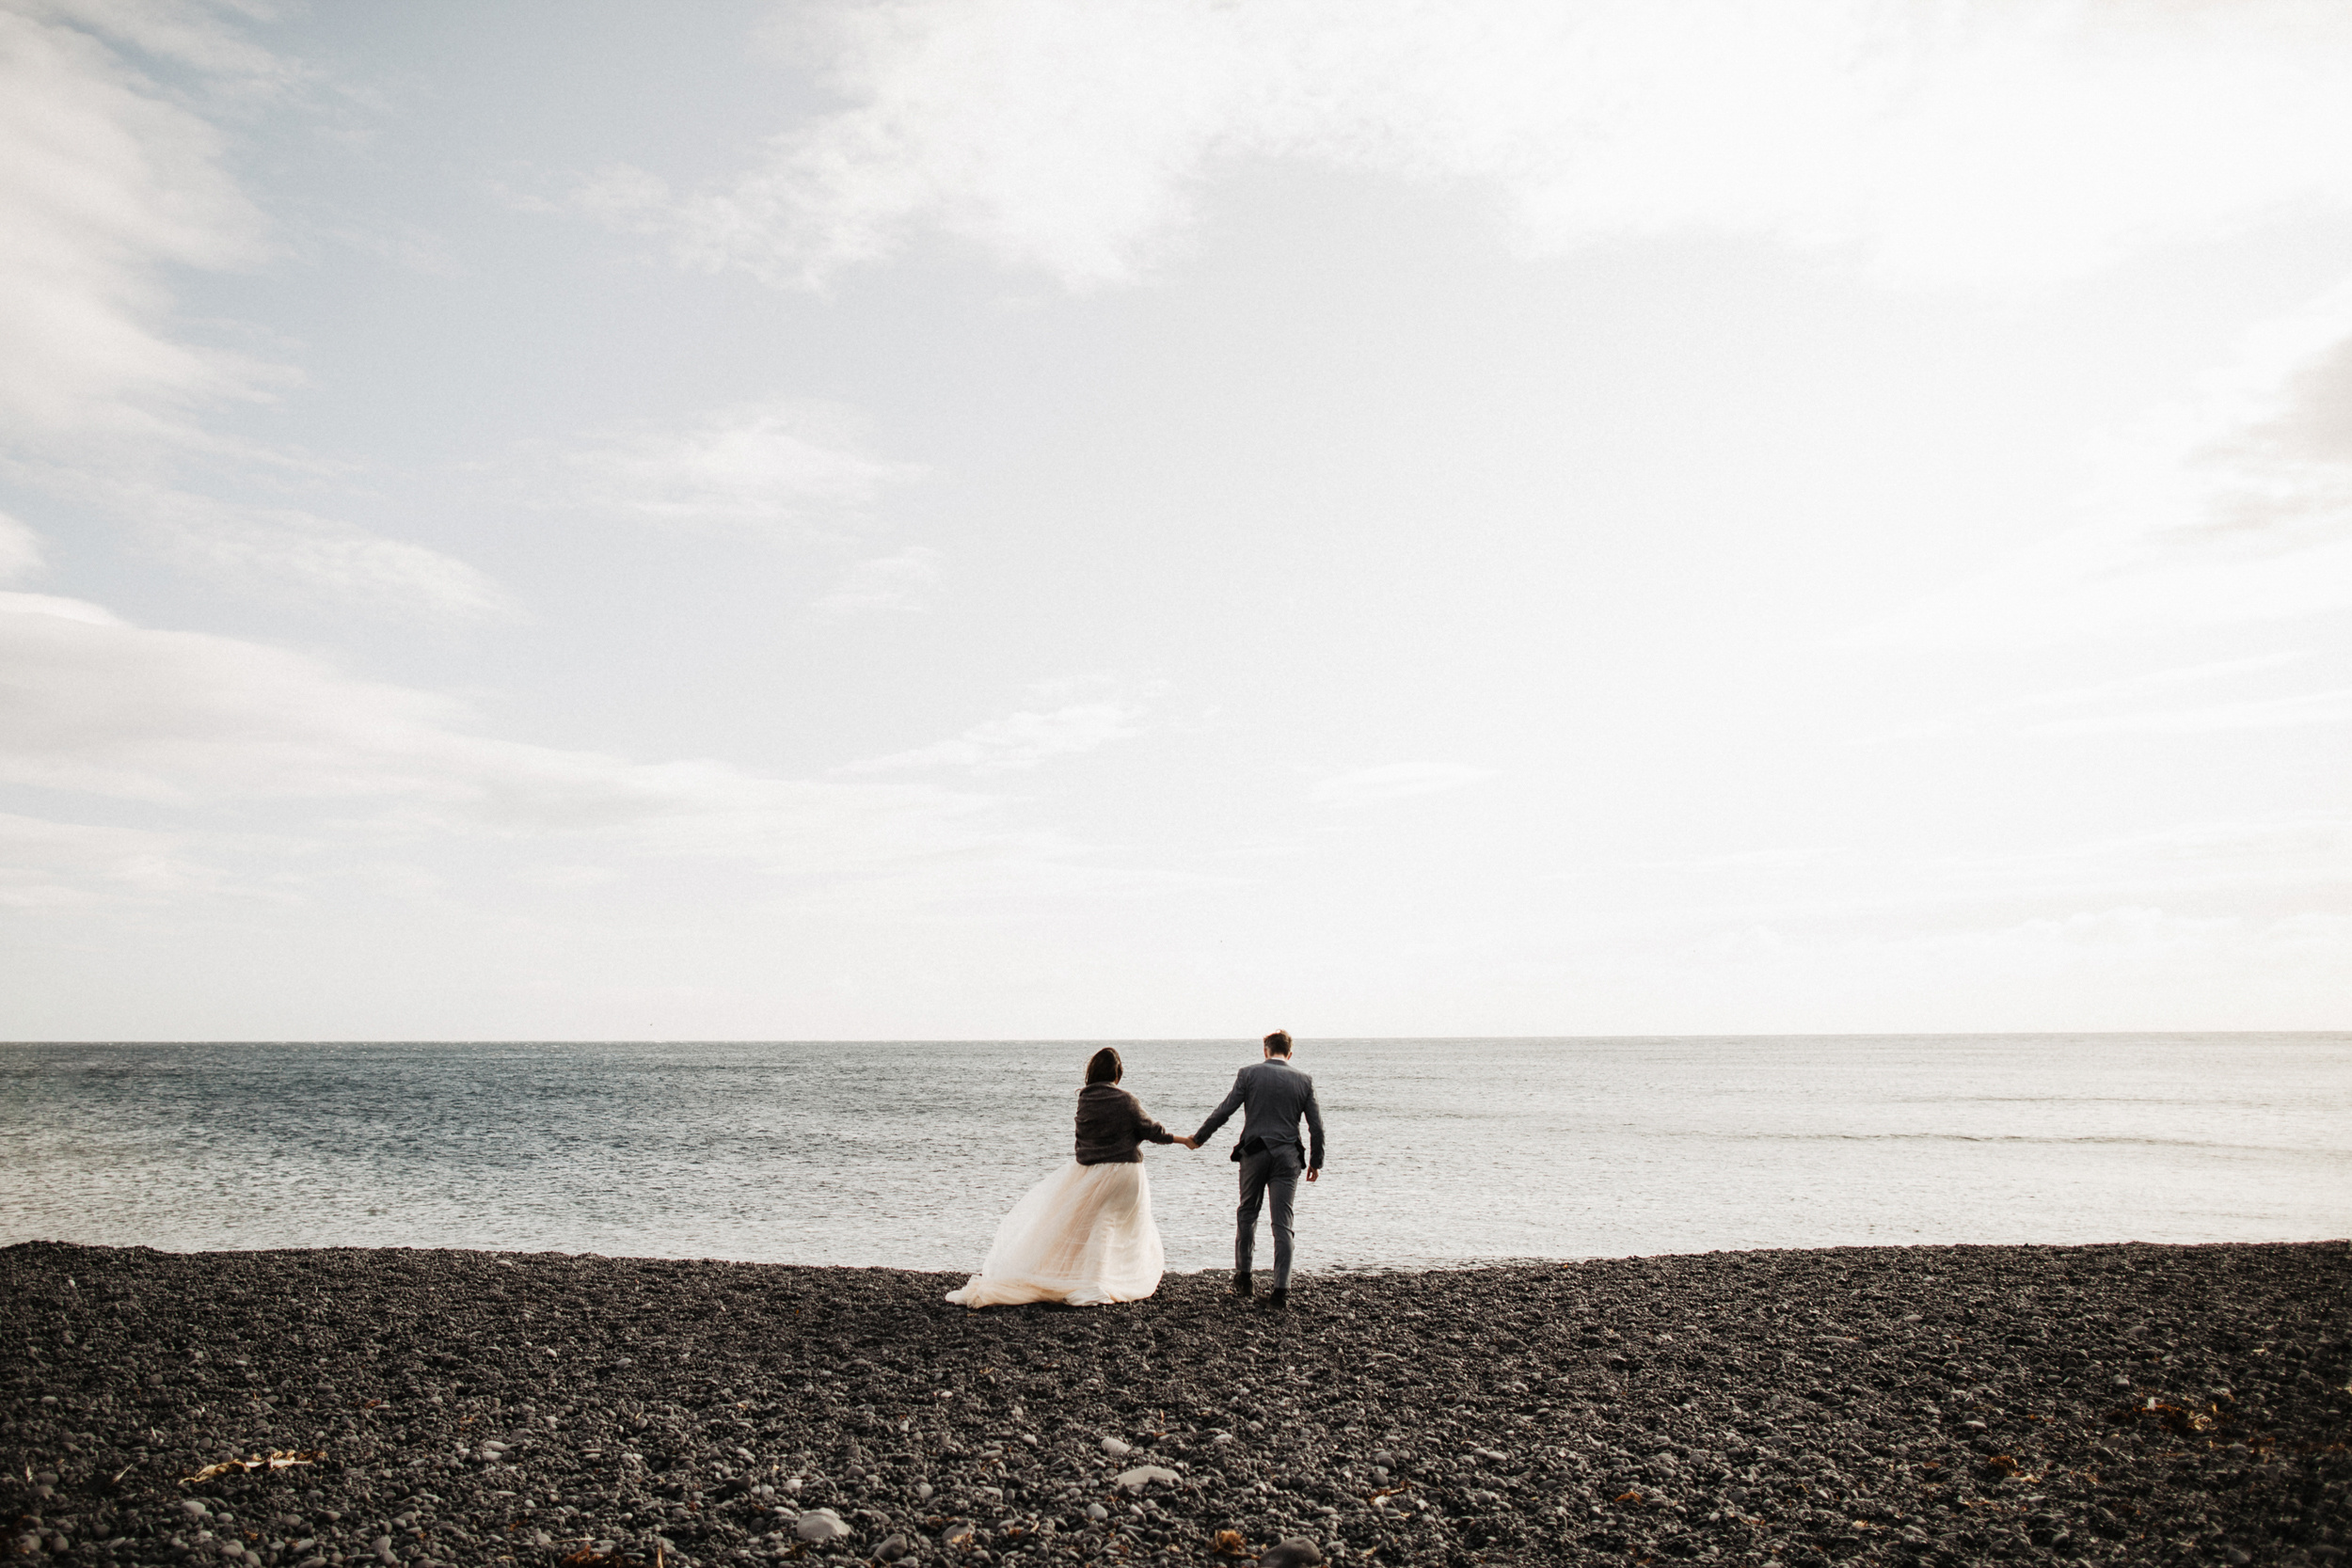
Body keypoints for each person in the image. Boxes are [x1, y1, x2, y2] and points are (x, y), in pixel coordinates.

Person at [946, 1047, 1180, 1308]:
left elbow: (1081, 1144)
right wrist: (1183, 1140)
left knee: (1096, 1227)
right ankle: (1098, 1282)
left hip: (1092, 1173)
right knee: (1112, 1226)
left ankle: (1090, 1280)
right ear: (1117, 1073)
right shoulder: (1126, 1100)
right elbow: (1151, 1131)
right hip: (1124, 1174)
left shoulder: (1085, 1101)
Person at [1185, 1029, 1326, 1309]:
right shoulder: (1304, 1081)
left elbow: (1225, 1110)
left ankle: (1245, 1277)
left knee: (1248, 1213)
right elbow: (1316, 1126)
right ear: (1289, 1053)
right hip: (1288, 1158)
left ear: (1265, 1050)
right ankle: (1280, 1291)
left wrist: (1199, 1138)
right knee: (1282, 1223)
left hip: (1255, 1154)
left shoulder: (1248, 1074)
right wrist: (1315, 1162)